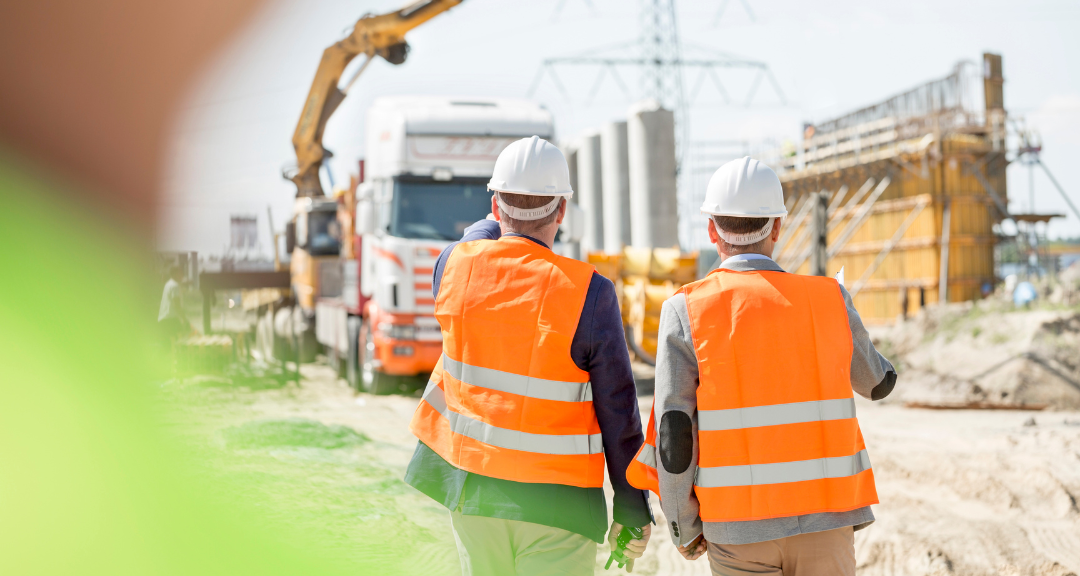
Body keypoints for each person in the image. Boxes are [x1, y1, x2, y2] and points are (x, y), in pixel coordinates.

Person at [627, 157, 897, 576]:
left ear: (713, 231)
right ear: (776, 227)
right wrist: (841, 312)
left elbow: (674, 431)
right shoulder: (827, 299)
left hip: (737, 528)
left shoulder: (686, 310)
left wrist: (682, 523)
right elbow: (878, 383)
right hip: (827, 520)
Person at [405, 136, 653, 576]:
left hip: (473, 495)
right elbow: (618, 409)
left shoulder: (454, 268)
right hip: (559, 508)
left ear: (497, 208)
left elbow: (471, 240)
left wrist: (496, 216)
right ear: (561, 211)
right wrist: (631, 509)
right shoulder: (591, 294)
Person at [158, 265, 188, 341]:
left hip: (164, 318)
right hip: (170, 319)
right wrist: (184, 319)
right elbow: (176, 304)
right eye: (180, 273)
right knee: (180, 341)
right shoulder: (175, 286)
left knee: (167, 345)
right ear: (174, 274)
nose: (182, 275)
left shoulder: (168, 284)